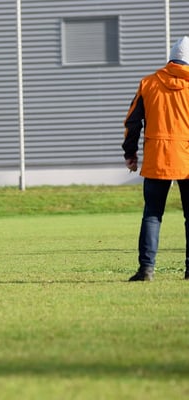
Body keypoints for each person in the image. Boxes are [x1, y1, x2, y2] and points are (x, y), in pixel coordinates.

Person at [122, 36, 189, 281]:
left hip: (157, 157)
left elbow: (132, 122)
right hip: (187, 157)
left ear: (171, 59)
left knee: (152, 214)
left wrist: (130, 153)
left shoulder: (148, 83)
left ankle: (146, 269)